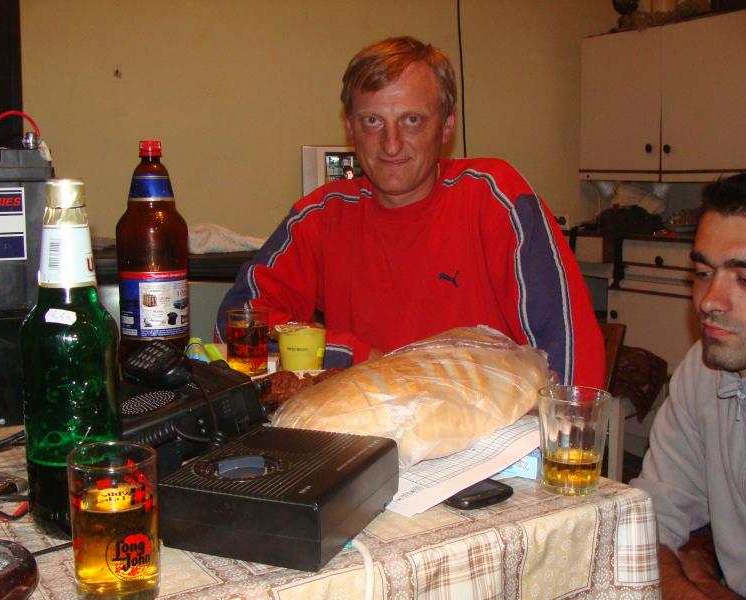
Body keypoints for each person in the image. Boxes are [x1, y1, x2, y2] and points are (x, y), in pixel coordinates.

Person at [216, 36, 604, 386]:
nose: (391, 144)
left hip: (488, 431)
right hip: (366, 428)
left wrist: (559, 437)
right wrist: (354, 357)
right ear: (350, 128)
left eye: (412, 120)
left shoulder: (494, 197)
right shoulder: (320, 216)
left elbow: (570, 349)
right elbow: (237, 324)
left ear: (447, 126)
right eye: (372, 121)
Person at [630, 173, 746, 599]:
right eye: (702, 272)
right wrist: (688, 584)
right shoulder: (703, 369)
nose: (709, 300)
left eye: (743, 278)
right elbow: (649, 519)